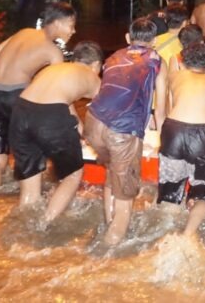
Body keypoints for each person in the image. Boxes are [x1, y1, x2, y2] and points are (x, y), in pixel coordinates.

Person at [83, 19, 167, 246]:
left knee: (112, 171)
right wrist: (163, 139)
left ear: (128, 38)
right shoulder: (156, 61)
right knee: (126, 196)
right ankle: (110, 249)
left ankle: (108, 221)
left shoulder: (112, 58)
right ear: (155, 41)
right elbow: (160, 109)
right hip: (122, 131)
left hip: (93, 123)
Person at [0, 2, 77, 189]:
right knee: (30, 153)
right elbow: (58, 90)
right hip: (16, 96)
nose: (73, 31)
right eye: (71, 25)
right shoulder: (53, 51)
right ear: (57, 23)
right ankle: (31, 200)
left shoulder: (23, 32)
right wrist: (74, 120)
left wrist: (5, 85)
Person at [8, 41, 103, 225]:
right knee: (73, 174)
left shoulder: (56, 69)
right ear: (96, 65)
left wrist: (81, 134)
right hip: (49, 118)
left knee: (30, 181)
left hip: (20, 113)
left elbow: (66, 104)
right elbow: (104, 113)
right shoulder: (91, 77)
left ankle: (24, 226)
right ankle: (44, 224)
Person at [157, 39, 205, 238]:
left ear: (182, 62)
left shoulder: (175, 77)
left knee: (171, 189)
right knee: (203, 191)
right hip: (202, 135)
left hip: (173, 130)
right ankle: (187, 235)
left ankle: (165, 233)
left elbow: (169, 109)